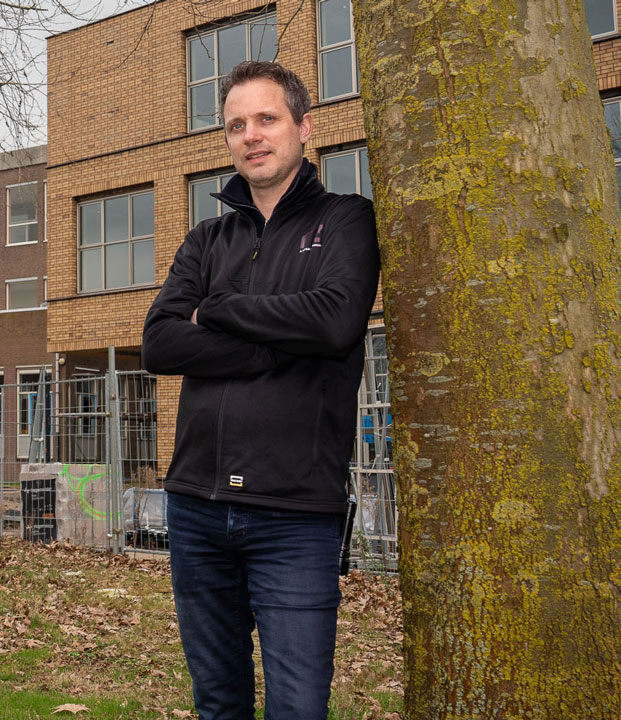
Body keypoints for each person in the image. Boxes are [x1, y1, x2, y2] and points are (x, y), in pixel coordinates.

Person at [141, 61, 380, 719]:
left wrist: (216, 309)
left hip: (296, 512)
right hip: (195, 507)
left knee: (297, 709)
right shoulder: (205, 239)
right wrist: (278, 342)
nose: (251, 136)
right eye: (235, 125)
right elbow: (159, 343)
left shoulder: (347, 221)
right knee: (219, 703)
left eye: (266, 119)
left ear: (304, 127)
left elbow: (334, 321)